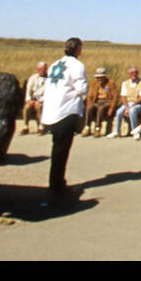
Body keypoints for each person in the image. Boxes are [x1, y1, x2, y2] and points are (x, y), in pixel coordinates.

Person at [40, 38, 88, 196]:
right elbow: (82, 89)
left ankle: (56, 182)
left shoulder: (56, 64)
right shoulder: (77, 66)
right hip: (66, 111)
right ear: (78, 49)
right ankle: (57, 186)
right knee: (61, 151)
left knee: (57, 150)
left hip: (52, 111)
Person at [112, 66, 141, 138]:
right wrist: (127, 107)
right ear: (129, 74)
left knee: (132, 111)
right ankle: (116, 131)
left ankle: (135, 131)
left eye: (136, 73)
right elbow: (123, 97)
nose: (134, 74)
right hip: (127, 104)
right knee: (119, 112)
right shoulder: (125, 83)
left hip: (138, 104)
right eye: (132, 73)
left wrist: (130, 107)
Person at [84, 68, 116, 137]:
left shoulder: (111, 83)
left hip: (107, 102)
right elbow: (89, 96)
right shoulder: (94, 84)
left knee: (101, 108)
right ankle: (87, 127)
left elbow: (115, 97)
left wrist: (111, 108)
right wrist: (90, 104)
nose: (99, 79)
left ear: (105, 77)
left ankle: (97, 128)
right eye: (98, 78)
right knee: (89, 108)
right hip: (97, 101)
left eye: (101, 77)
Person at [21, 62, 47, 135]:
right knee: (26, 108)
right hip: (33, 99)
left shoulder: (49, 79)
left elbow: (49, 92)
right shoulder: (33, 78)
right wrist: (28, 100)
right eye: (41, 69)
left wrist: (41, 101)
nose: (43, 70)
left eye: (44, 69)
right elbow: (28, 89)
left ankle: (41, 126)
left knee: (40, 107)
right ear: (38, 69)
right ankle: (25, 126)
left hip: (42, 100)